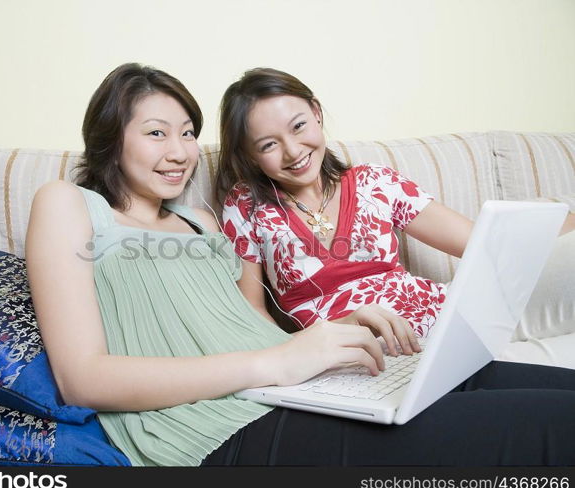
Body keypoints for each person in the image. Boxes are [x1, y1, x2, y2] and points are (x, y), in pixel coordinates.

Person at [25, 63, 575, 467]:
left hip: (317, 383)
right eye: (155, 133)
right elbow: (83, 379)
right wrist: (282, 363)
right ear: (107, 140)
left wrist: (331, 340)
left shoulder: (200, 221)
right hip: (226, 424)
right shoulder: (70, 204)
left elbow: (245, 326)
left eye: (188, 133)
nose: (180, 151)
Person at [215, 67, 575, 353]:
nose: (293, 151)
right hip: (368, 352)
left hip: (453, 319)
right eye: (268, 145)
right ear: (249, 154)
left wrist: (560, 225)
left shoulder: (376, 182)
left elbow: (484, 241)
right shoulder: (246, 205)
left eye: (299, 126)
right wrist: (337, 328)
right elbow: (254, 316)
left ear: (317, 113)